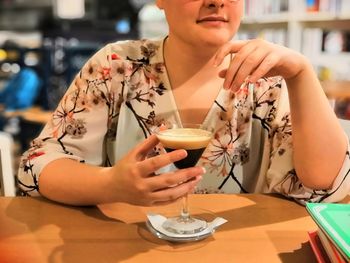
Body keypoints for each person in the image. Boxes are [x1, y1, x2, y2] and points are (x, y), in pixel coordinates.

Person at [18, 0, 350, 206]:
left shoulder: (270, 79)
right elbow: (39, 165)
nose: (217, 2)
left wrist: (302, 74)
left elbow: (321, 183)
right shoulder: (117, 66)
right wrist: (111, 184)